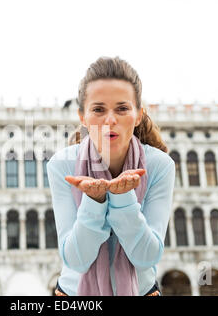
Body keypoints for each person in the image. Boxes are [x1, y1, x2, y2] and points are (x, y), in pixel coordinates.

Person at [46, 56, 175, 296]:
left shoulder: (159, 165)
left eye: (122, 108)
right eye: (98, 109)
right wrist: (94, 203)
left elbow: (146, 257)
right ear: (83, 117)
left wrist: (123, 198)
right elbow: (76, 260)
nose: (110, 120)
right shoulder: (61, 166)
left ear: (138, 115)